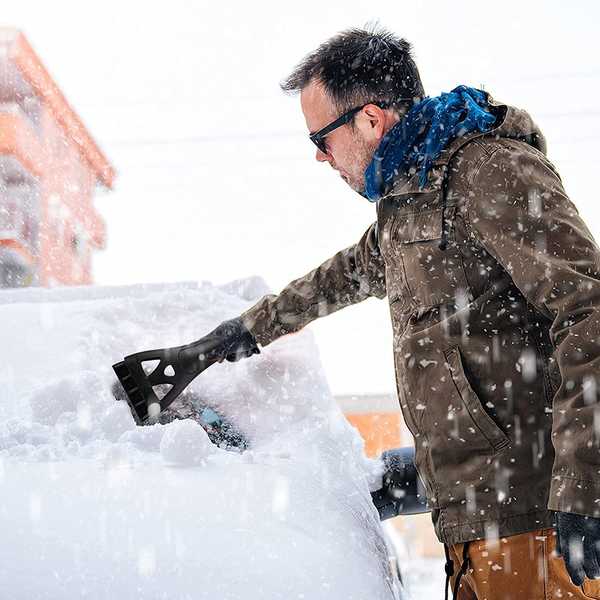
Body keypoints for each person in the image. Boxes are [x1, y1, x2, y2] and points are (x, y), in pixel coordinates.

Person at [190, 27, 600, 599]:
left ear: (371, 120)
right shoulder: (409, 203)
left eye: (322, 138)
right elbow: (339, 278)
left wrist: (586, 485)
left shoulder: (487, 170)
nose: (318, 156)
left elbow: (588, 310)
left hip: (536, 525)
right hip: (476, 530)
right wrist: (238, 333)